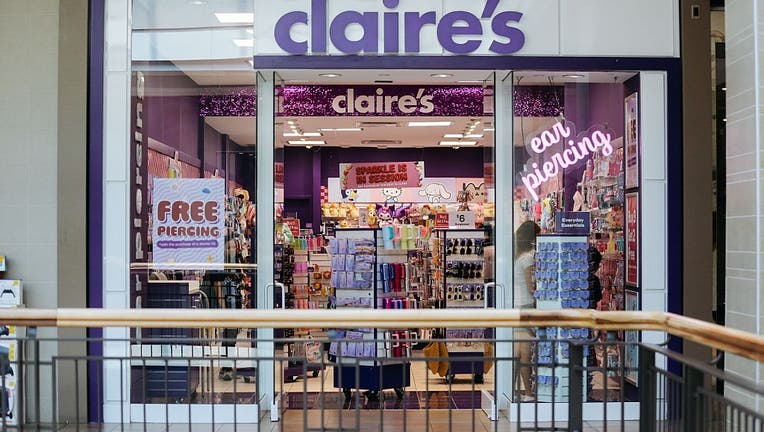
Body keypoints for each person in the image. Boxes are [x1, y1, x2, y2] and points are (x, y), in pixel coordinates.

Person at [513, 220, 540, 401]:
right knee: (525, 353)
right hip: (526, 307)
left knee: (517, 353)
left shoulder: (516, 256)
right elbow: (531, 287)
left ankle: (511, 391)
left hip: (516, 306)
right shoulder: (527, 259)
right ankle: (528, 393)